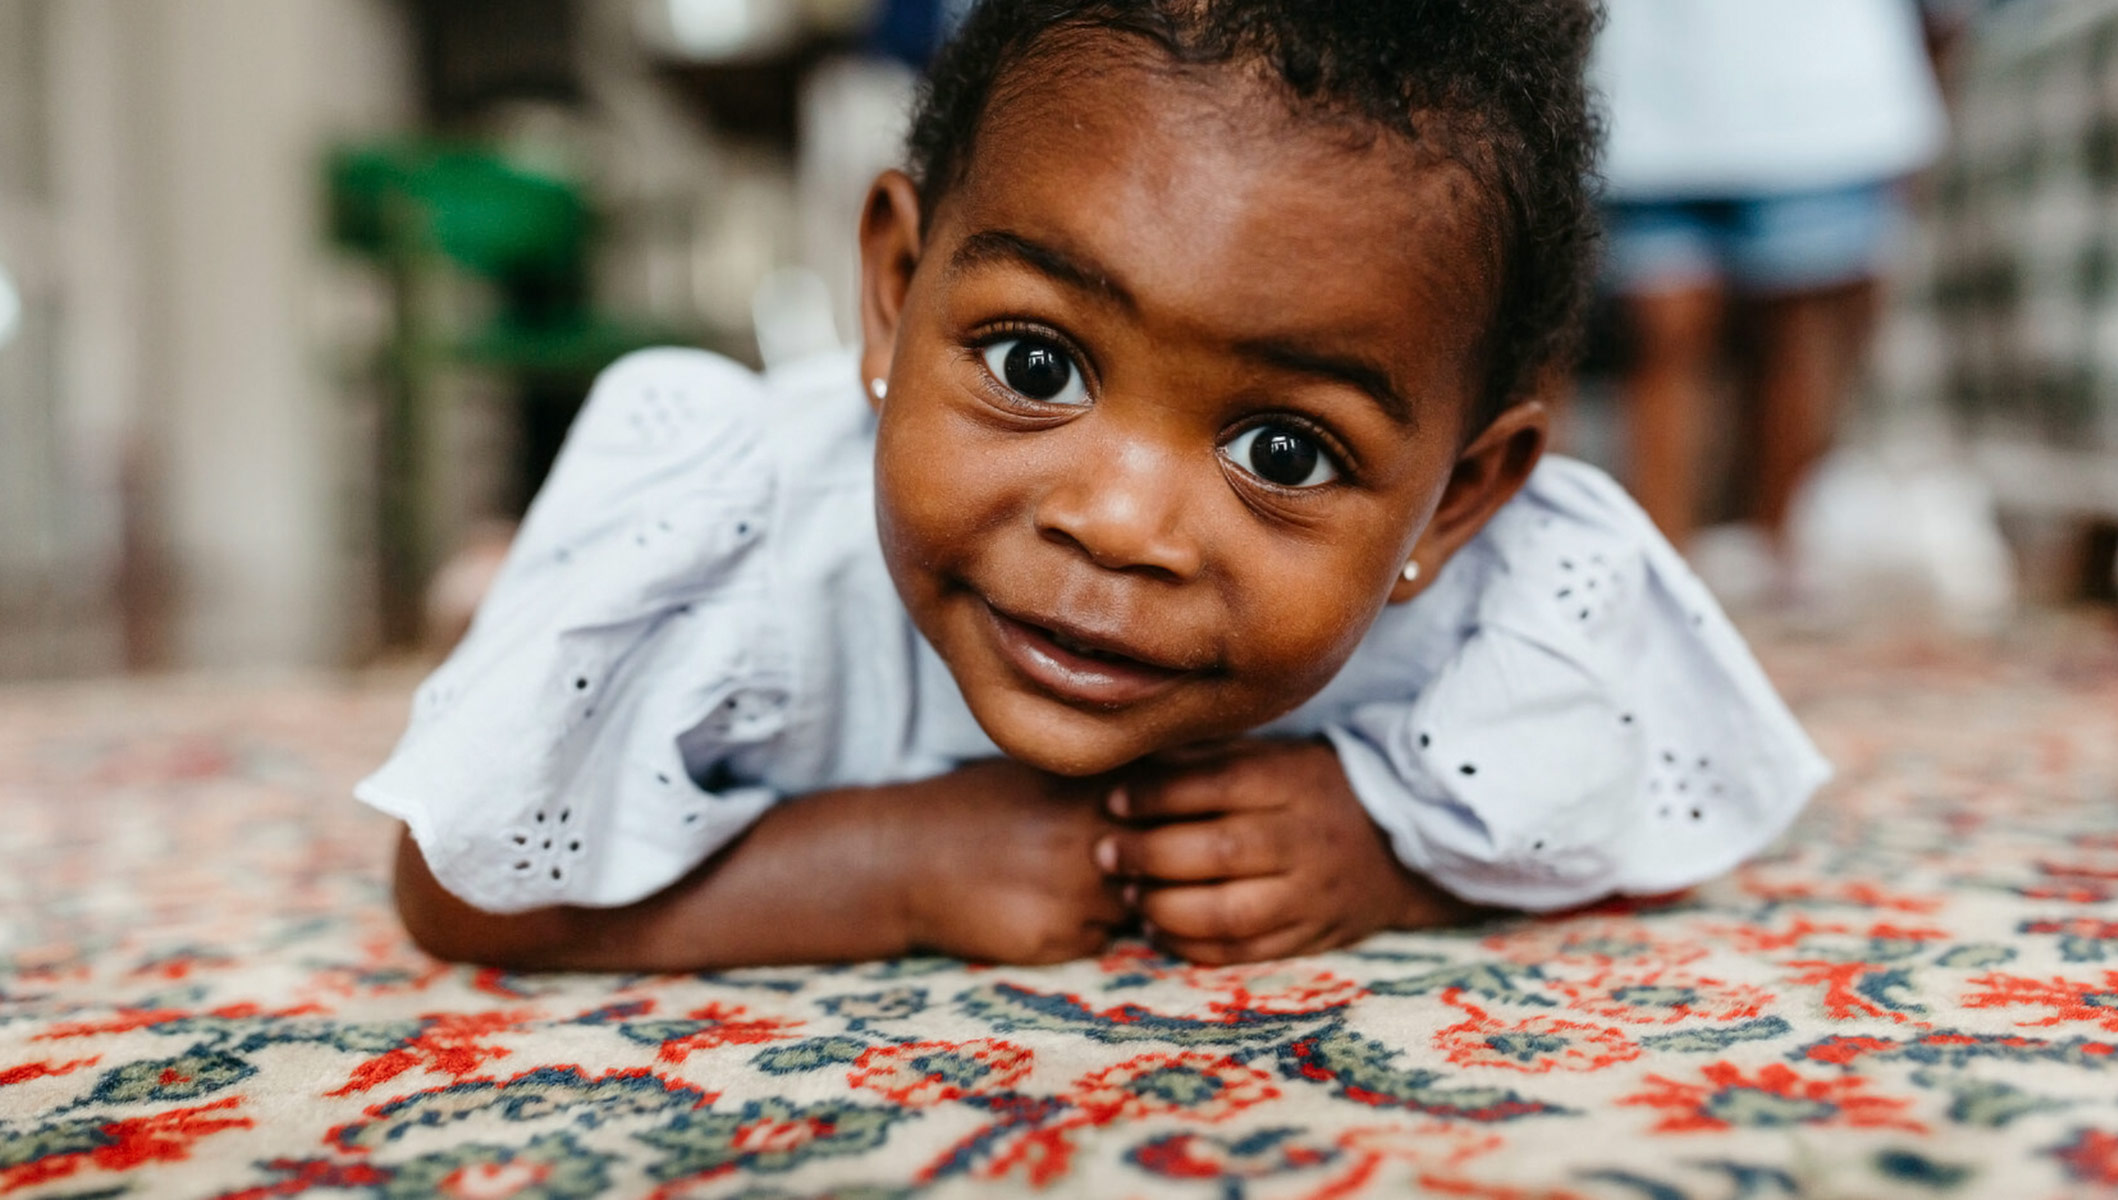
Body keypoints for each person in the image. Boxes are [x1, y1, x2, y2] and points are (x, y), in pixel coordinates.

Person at [364, 0, 1830, 971]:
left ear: (1455, 501)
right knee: (553, 658)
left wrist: (1394, 853)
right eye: (1036, 364)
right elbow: (454, 889)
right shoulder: (755, 547)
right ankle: (509, 592)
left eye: (1283, 453)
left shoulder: (1504, 600)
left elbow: (1645, 787)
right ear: (893, 293)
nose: (1118, 521)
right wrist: (888, 867)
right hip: (779, 505)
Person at [1592, 0, 1946, 551]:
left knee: (1794, 334)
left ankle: (1779, 554)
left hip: (1813, 93)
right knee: (1661, 333)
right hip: (1650, 92)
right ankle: (1658, 557)